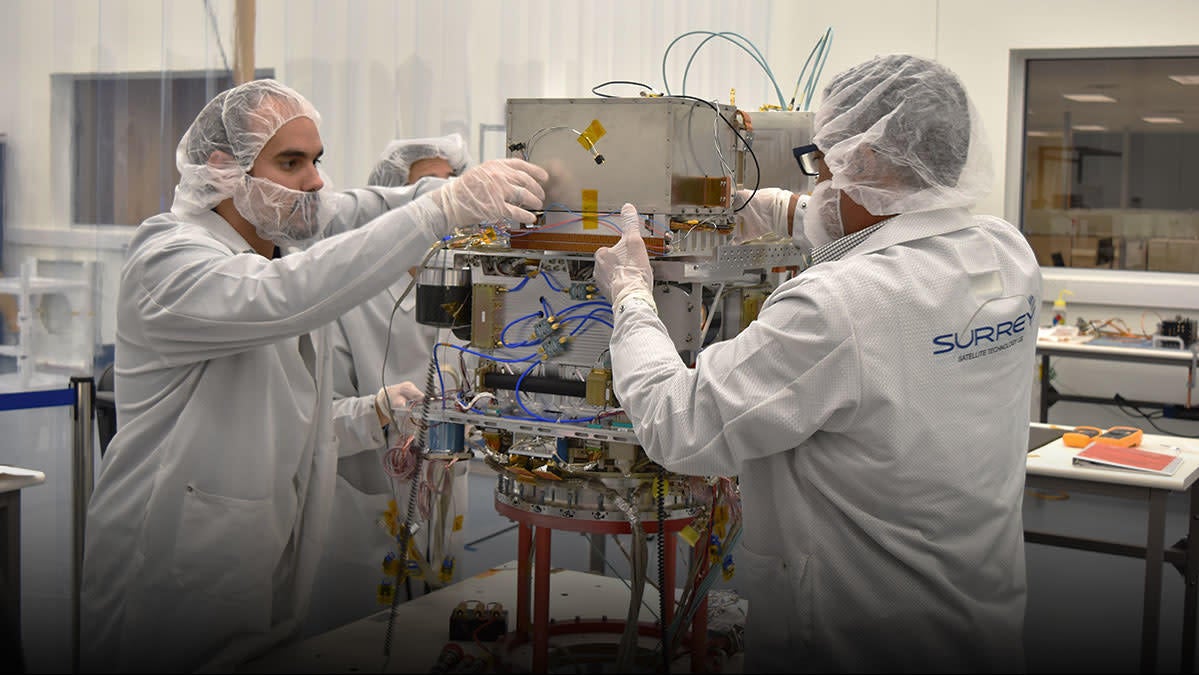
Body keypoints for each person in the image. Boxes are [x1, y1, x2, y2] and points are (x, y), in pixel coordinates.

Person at [79, 78, 547, 673]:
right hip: (163, 591)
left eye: (317, 160)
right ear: (223, 169)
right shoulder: (169, 259)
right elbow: (286, 296)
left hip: (261, 579)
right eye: (291, 162)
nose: (315, 180)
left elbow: (360, 210)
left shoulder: (275, 246)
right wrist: (440, 209)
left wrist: (374, 412)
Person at [593, 54, 1040, 673]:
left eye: (824, 166)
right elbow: (897, 229)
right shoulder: (1007, 254)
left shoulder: (838, 304)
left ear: (869, 162)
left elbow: (680, 424)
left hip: (857, 640)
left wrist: (632, 299)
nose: (820, 183)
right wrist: (785, 209)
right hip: (980, 618)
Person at [306, 133, 474, 637]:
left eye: (453, 187)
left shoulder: (469, 283)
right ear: (394, 204)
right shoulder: (347, 293)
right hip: (366, 503)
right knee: (356, 640)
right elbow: (310, 426)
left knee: (438, 636)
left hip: (445, 494)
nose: (445, 203)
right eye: (429, 191)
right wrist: (376, 410)